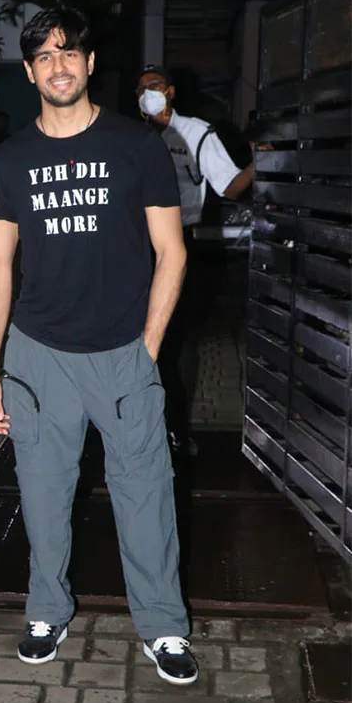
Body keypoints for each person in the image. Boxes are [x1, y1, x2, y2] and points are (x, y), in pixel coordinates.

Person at [0, 9, 198, 686]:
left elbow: (171, 251)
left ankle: (162, 626)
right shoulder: (11, 158)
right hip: (38, 354)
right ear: (29, 72)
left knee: (146, 492)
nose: (59, 66)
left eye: (69, 53)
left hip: (123, 352)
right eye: (44, 56)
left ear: (90, 63)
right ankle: (46, 611)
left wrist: (148, 346)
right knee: (44, 495)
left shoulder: (136, 146)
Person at [136, 65, 254, 456]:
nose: (148, 94)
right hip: (135, 245)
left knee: (174, 339)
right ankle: (137, 427)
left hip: (179, 242)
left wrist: (261, 163)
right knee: (134, 338)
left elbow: (230, 186)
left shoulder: (197, 133)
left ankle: (175, 429)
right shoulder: (131, 137)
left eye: (154, 86)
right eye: (141, 89)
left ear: (170, 92)